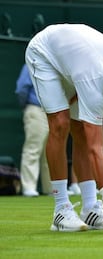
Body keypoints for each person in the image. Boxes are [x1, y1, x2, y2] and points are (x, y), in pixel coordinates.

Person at [25, 24, 103, 233]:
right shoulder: (96, 80)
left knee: (81, 132)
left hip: (76, 62)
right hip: (45, 54)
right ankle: (61, 210)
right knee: (60, 124)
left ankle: (90, 209)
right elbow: (96, 150)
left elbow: (89, 143)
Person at [15, 64, 52, 197]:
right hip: (35, 108)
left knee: (51, 151)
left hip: (53, 112)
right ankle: (29, 187)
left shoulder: (55, 64)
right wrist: (28, 105)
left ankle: (51, 188)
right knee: (33, 148)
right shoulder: (31, 64)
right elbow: (21, 89)